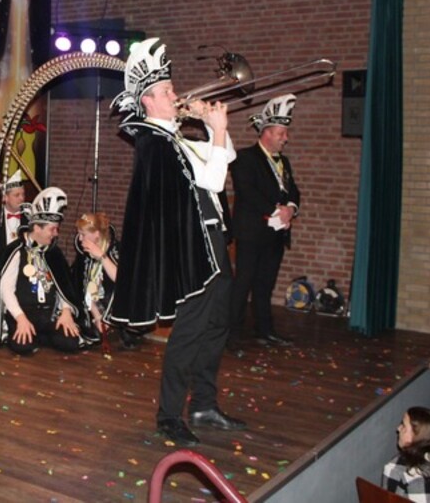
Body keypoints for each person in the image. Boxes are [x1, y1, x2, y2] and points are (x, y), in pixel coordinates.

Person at [107, 37, 245, 447]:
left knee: (217, 325)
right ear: (148, 100)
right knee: (189, 332)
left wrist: (212, 126)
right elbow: (215, 180)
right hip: (192, 250)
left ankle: (203, 404)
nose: (176, 94)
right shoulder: (155, 141)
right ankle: (169, 415)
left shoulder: (174, 137)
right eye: (167, 90)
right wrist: (218, 128)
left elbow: (225, 157)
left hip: (213, 242)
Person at [229, 94, 301, 348]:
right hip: (251, 232)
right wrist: (276, 211)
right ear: (267, 133)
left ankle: (265, 330)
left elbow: (293, 191)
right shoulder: (244, 157)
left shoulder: (285, 161)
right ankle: (231, 336)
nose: (286, 138)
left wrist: (290, 209)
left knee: (265, 284)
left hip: (275, 234)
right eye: (281, 133)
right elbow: (247, 191)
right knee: (243, 283)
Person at [0, 187, 81, 354]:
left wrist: (65, 311)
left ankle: (39, 335)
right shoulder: (15, 251)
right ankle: (31, 334)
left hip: (49, 314)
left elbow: (64, 286)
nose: (56, 234)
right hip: (23, 312)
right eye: (52, 229)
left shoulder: (54, 253)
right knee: (23, 347)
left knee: (71, 343)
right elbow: (6, 290)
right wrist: (20, 318)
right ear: (37, 228)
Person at [70, 212, 119, 345]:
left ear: (96, 234)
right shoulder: (84, 254)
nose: (80, 239)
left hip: (114, 306)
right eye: (79, 234)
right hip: (92, 306)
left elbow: (120, 280)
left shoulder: (114, 250)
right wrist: (97, 316)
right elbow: (83, 287)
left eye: (83, 234)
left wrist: (102, 257)